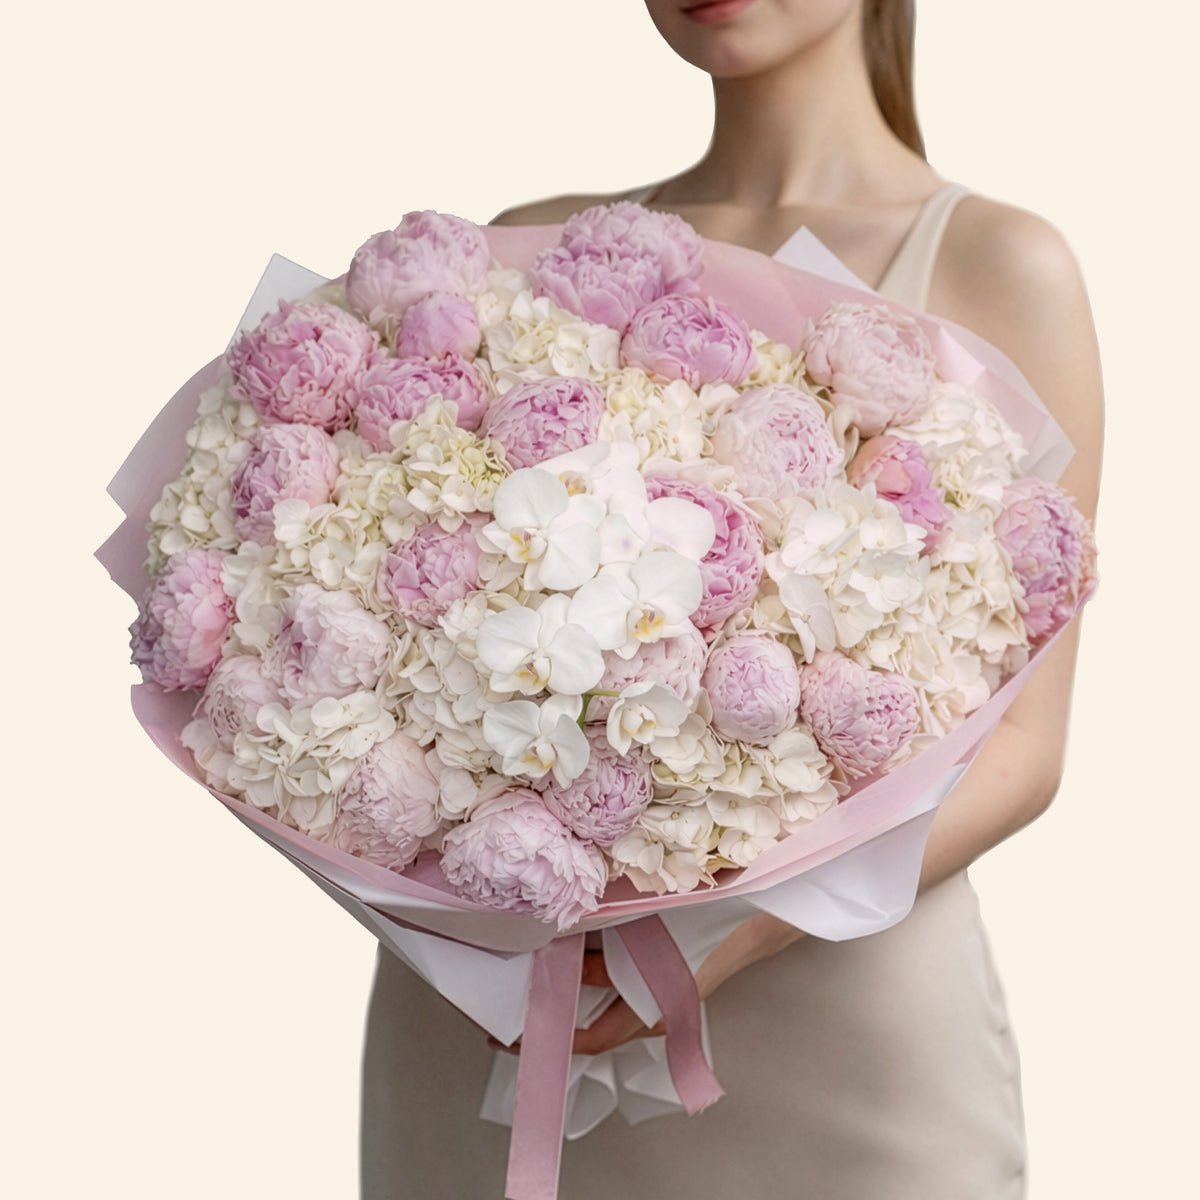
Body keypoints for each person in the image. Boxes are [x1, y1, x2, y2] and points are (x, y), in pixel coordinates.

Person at [361, 1, 1104, 1196]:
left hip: (842, 1025)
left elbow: (1025, 749)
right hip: (501, 1015)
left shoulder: (999, 263)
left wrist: (711, 944)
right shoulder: (538, 251)